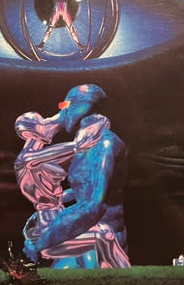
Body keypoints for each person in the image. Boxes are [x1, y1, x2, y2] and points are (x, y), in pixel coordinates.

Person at [23, 84, 129, 268]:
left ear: (83, 105)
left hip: (100, 243)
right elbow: (84, 188)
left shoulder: (105, 144)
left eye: (64, 105)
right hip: (81, 234)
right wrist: (48, 205)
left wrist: (39, 243)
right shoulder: (87, 143)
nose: (62, 112)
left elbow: (94, 204)